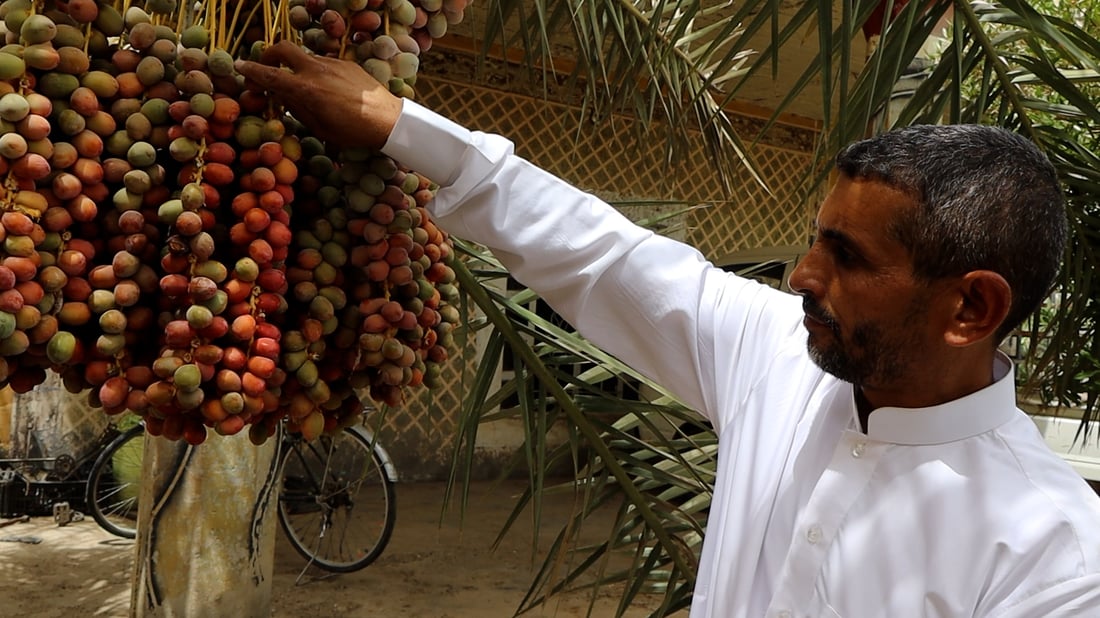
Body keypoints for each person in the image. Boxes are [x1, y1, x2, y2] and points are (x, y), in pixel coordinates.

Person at [237, 43, 1100, 617]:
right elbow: (605, 255)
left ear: (972, 309)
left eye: (846, 256)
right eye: (813, 239)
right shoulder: (777, 359)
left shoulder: (1053, 556)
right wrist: (399, 126)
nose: (801, 276)